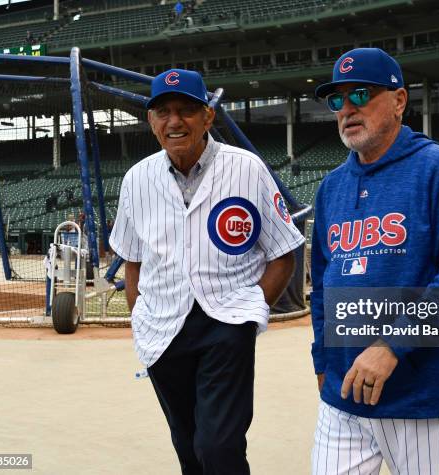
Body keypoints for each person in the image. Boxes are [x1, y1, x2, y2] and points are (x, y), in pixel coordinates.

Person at [109, 68, 304, 475]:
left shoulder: (246, 168)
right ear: (151, 121)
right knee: (188, 447)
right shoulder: (136, 180)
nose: (174, 121)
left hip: (226, 324)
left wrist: (248, 314)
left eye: (186, 110)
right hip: (163, 329)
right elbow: (132, 259)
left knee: (218, 447)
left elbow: (284, 250)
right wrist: (139, 315)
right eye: (163, 111)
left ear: (208, 117)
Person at [311, 48, 439, 474]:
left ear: (399, 100)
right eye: (338, 100)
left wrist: (392, 345)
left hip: (425, 400)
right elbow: (321, 284)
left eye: (362, 95)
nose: (348, 109)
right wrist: (322, 361)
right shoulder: (332, 186)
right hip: (344, 400)